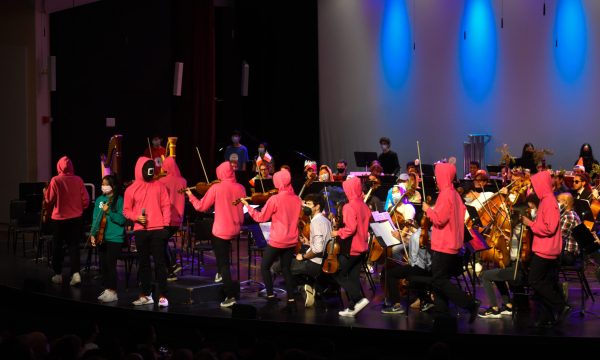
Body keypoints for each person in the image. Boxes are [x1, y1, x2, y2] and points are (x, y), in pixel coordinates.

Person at [422, 161, 480, 323]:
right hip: (453, 244)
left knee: (438, 280)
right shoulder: (454, 194)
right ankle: (442, 313)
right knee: (441, 281)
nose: (435, 179)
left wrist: (428, 210)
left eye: (437, 175)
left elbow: (439, 219)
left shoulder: (446, 194)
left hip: (443, 244)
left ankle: (469, 304)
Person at [186, 161, 246, 308]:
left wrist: (190, 195)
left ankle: (230, 295)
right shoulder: (241, 187)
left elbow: (201, 207)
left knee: (223, 263)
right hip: (236, 228)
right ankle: (220, 273)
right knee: (222, 254)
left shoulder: (216, 187)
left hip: (222, 230)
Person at [241, 169, 302, 310]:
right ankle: (291, 300)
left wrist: (247, 206)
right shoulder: (296, 198)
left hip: (278, 240)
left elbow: (260, 217)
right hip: (292, 239)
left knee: (264, 267)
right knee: (286, 269)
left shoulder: (274, 199)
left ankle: (270, 297)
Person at [521, 170, 571, 327]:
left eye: (535, 186)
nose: (534, 189)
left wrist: (531, 224)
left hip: (545, 250)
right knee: (545, 284)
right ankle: (546, 318)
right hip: (547, 249)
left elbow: (550, 228)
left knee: (534, 281)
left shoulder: (548, 201)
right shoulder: (546, 200)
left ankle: (561, 305)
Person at [123, 157, 171, 308]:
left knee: (160, 264)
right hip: (141, 231)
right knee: (143, 264)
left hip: (158, 230)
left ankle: (162, 295)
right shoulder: (131, 189)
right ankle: (146, 294)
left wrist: (166, 227)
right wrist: (136, 217)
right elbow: (126, 210)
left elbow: (166, 206)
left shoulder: (160, 186)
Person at [45, 156, 90, 286]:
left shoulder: (55, 180)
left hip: (59, 220)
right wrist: (78, 208)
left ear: (59, 167)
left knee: (57, 246)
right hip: (76, 219)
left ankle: (58, 274)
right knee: (73, 246)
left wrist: (45, 193)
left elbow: (49, 200)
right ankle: (76, 274)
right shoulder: (78, 180)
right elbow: (86, 201)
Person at [330, 176, 371, 317]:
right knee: (353, 277)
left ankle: (359, 299)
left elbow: (351, 228)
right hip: (363, 247)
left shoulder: (349, 206)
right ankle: (352, 308)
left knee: (338, 274)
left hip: (352, 247)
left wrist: (337, 231)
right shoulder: (364, 206)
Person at [89, 175, 126, 303]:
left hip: (115, 237)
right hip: (101, 236)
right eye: (102, 184)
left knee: (111, 265)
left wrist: (109, 211)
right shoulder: (100, 199)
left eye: (106, 184)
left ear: (113, 186)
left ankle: (113, 291)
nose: (103, 186)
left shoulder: (120, 200)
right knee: (103, 265)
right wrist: (93, 233)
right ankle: (107, 289)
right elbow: (96, 218)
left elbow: (122, 219)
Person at [381, 226, 433, 314]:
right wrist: (402, 239)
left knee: (390, 273)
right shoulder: (433, 232)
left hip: (421, 269)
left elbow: (413, 262)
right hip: (432, 268)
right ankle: (425, 300)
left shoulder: (416, 235)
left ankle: (396, 305)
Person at [293, 193, 331, 307]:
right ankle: (312, 287)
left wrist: (303, 256)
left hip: (315, 263)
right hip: (324, 261)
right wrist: (308, 243)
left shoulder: (316, 222)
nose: (305, 206)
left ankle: (305, 288)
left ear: (317, 206)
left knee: (281, 267)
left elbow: (318, 249)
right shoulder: (325, 220)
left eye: (309, 204)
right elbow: (322, 243)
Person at [158, 157, 187, 280]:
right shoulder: (183, 181)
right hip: (178, 218)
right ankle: (172, 269)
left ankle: (172, 266)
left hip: (166, 217)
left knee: (159, 242)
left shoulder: (162, 181)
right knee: (162, 242)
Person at [557, 192, 581, 266]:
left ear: (566, 203)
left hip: (568, 255)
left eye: (558, 201)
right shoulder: (565, 214)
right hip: (564, 251)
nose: (556, 203)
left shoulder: (569, 216)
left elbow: (560, 236)